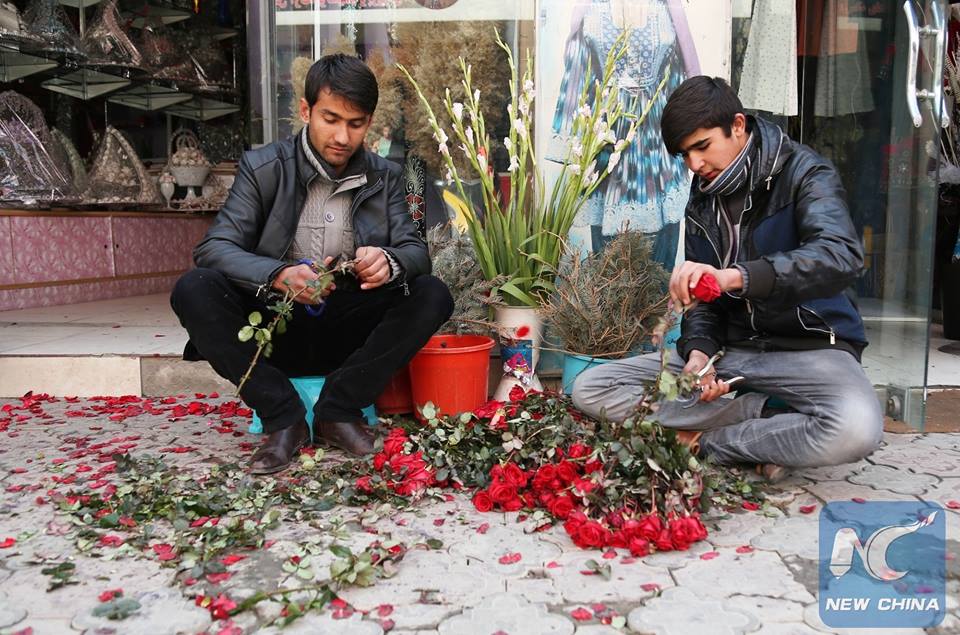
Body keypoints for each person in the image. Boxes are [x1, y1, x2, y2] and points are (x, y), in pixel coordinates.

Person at [572, 76, 883, 478]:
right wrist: (700, 354)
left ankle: (709, 443)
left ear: (738, 125)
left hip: (809, 349)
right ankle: (770, 418)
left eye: (702, 147)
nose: (695, 165)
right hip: (733, 355)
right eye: (685, 155)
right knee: (591, 389)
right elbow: (703, 306)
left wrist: (733, 277)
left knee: (856, 429)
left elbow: (840, 256)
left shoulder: (806, 173)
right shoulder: (703, 196)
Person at [171, 54, 453, 475]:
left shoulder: (387, 176)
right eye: (330, 119)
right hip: (273, 325)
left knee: (432, 293)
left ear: (369, 122)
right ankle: (282, 417)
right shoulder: (263, 168)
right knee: (193, 288)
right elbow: (215, 248)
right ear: (306, 111)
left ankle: (338, 410)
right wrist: (277, 275)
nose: (342, 136)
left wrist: (389, 261)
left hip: (347, 331)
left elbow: (417, 253)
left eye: (356, 124)